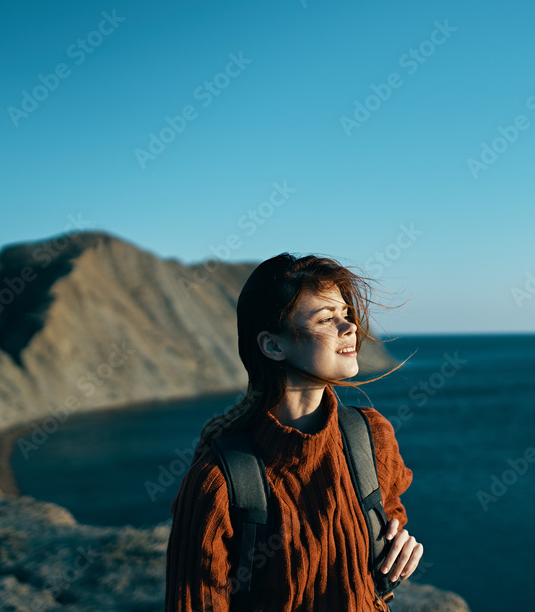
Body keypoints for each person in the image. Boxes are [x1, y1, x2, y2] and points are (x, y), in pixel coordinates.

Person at [165, 253, 423, 611]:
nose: (350, 327)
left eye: (346, 315)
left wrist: (398, 552)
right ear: (273, 345)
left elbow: (388, 524)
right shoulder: (219, 481)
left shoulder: (372, 437)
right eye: (326, 319)